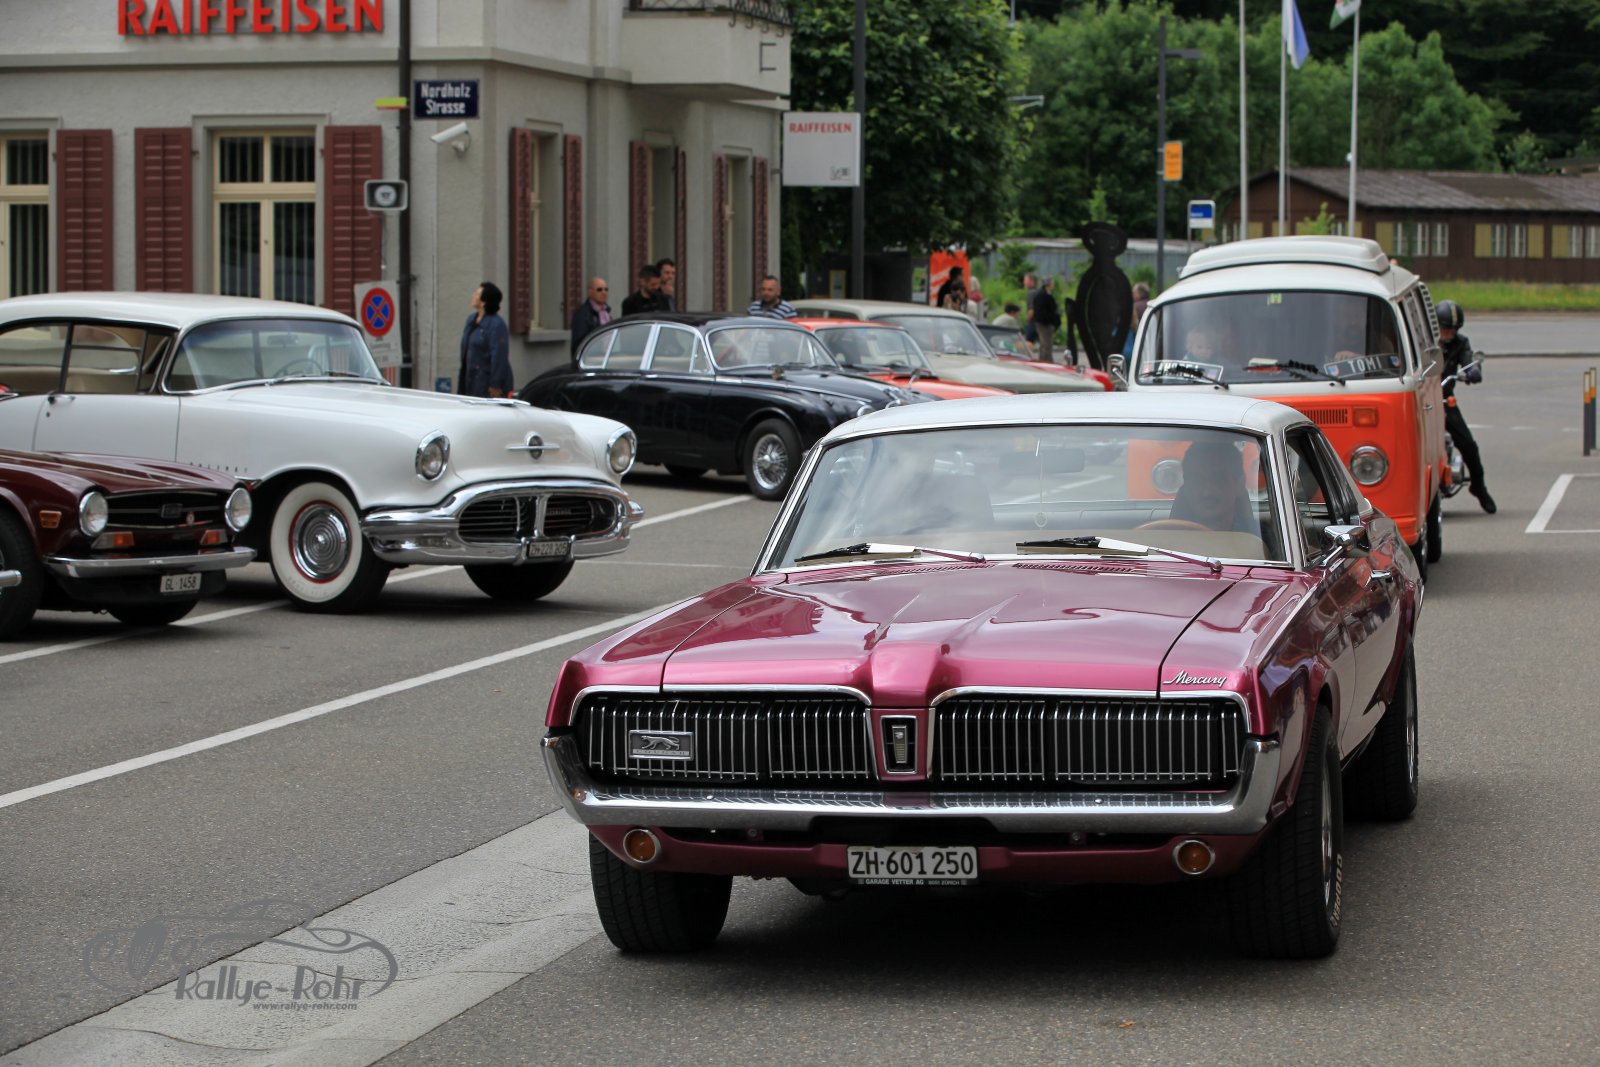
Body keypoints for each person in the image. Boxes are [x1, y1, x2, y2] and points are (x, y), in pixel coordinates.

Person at [1436, 300, 1496, 513]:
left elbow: (1467, 358)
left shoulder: (1460, 343)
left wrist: (1473, 371)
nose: (1450, 333)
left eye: (1454, 329)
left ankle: (1479, 486)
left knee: (1468, 444)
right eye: (1446, 328)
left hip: (1444, 399)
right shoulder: (1423, 341)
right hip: (1421, 399)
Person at [1169, 440, 1258, 533]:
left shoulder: (1260, 539)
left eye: (1218, 479)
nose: (1207, 492)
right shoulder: (1168, 538)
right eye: (1198, 480)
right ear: (1187, 489)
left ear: (1240, 485)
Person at [458, 281, 513, 398]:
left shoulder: (496, 325)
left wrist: (495, 384)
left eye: (477, 294)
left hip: (486, 381)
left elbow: (499, 356)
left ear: (484, 302)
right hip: (470, 378)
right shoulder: (471, 319)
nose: (473, 296)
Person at [569, 276, 611, 362]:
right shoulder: (582, 314)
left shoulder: (606, 312)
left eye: (606, 289)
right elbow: (579, 342)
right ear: (590, 292)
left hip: (607, 358)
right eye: (599, 290)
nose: (604, 292)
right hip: (592, 359)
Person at [1031, 277, 1062, 362]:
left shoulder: (1044, 295)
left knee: (1044, 344)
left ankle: (1044, 359)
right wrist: (1051, 321)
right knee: (1046, 344)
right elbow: (1042, 311)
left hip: (1044, 322)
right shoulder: (1043, 296)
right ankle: (1046, 360)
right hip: (1044, 323)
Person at [1123, 282, 1151, 357]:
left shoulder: (1134, 307)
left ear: (1138, 295)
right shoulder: (1153, 306)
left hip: (1136, 348)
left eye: (1134, 293)